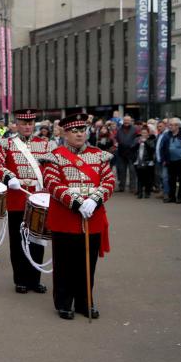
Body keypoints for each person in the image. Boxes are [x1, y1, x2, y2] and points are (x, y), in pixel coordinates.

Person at [43, 113, 114, 320]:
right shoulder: (54, 156)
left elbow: (109, 181)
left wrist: (95, 200)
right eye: (74, 131)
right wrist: (76, 202)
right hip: (66, 218)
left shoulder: (99, 155)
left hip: (92, 218)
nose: (79, 134)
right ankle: (64, 302)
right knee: (64, 264)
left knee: (87, 264)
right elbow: (53, 183)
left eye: (82, 130)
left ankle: (85, 302)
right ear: (65, 133)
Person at [0, 108, 55, 293]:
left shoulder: (46, 145)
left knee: (38, 240)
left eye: (30, 123)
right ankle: (20, 279)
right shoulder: (7, 144)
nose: (27, 127)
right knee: (18, 241)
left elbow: (53, 168)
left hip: (39, 197)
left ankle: (35, 279)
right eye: (24, 123)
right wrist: (9, 177)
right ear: (16, 125)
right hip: (17, 198)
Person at [157, 118, 181, 204]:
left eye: (172, 125)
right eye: (170, 125)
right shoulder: (167, 135)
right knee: (171, 180)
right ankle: (172, 197)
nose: (170, 127)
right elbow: (162, 148)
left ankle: (180, 197)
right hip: (170, 161)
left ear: (178, 126)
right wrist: (163, 159)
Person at [114, 115, 139, 193]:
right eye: (125, 120)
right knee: (122, 171)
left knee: (132, 171)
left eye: (128, 120)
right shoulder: (119, 129)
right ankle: (121, 187)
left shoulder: (135, 129)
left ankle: (133, 188)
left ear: (130, 121)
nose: (126, 122)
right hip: (121, 153)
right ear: (123, 121)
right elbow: (116, 138)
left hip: (132, 152)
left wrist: (132, 146)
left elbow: (137, 138)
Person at [133, 127, 157, 199]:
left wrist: (145, 142)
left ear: (148, 134)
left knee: (148, 178)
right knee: (140, 178)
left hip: (148, 162)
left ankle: (147, 192)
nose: (143, 134)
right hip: (138, 161)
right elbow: (132, 148)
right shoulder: (137, 139)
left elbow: (152, 149)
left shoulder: (151, 140)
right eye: (142, 133)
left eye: (145, 133)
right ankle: (140, 193)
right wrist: (138, 143)